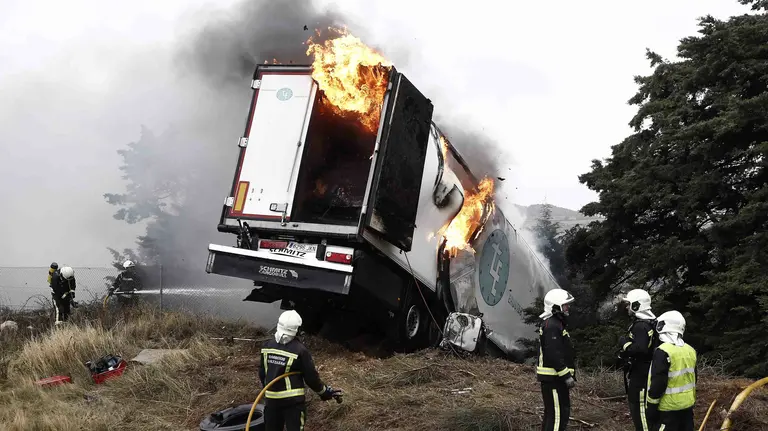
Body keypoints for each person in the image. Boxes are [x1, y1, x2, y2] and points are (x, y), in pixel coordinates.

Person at [258, 310, 343, 431]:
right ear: (296, 329)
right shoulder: (300, 350)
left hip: (271, 400)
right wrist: (324, 392)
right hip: (293, 403)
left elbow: (262, 373)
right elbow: (311, 378)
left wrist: (267, 389)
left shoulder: (267, 346)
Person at [646, 311, 697, 431]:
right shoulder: (690, 350)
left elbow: (659, 382)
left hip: (667, 409)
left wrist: (652, 406)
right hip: (687, 406)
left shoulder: (663, 351)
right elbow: (694, 378)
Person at [617, 289, 658, 431]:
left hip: (641, 376)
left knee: (640, 410)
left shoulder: (641, 326)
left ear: (637, 305)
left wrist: (624, 344)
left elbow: (640, 349)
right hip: (647, 373)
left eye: (629, 304)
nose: (627, 307)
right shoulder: (651, 322)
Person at [536, 288, 576, 431]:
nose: (568, 308)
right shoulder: (552, 325)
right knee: (557, 418)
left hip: (555, 379)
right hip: (554, 380)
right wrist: (566, 375)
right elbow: (553, 353)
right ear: (555, 306)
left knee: (554, 415)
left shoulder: (555, 324)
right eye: (565, 305)